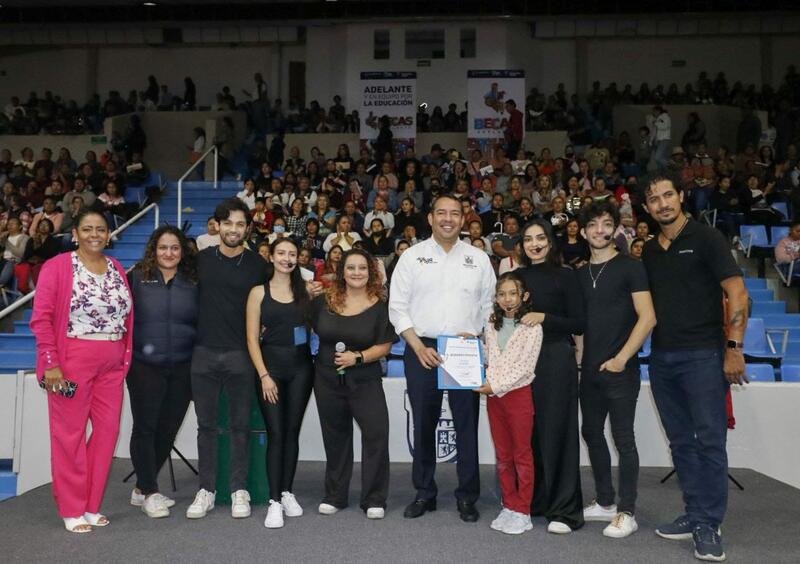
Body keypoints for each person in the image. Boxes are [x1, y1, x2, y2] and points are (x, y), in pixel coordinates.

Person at [642, 177, 749, 562]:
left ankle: (709, 522)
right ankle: (693, 513)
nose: (662, 203)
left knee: (709, 441)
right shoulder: (650, 250)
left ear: (681, 197)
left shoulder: (707, 238)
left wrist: (734, 348)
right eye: (654, 199)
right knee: (681, 443)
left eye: (668, 195)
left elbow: (737, 292)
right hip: (662, 359)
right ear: (647, 208)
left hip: (704, 356)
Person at [389, 194, 495, 523]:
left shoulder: (479, 259)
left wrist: (478, 337)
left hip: (464, 350)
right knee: (423, 424)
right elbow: (397, 306)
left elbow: (489, 308)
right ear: (430, 218)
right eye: (441, 213)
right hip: (422, 349)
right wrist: (416, 345)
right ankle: (425, 493)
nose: (448, 219)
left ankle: (467, 496)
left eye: (455, 213)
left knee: (466, 426)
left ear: (464, 220)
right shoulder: (412, 257)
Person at [29, 209, 134, 533]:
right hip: (70, 363)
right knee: (69, 435)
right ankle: (72, 507)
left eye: (100, 229)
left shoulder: (116, 267)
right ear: (75, 233)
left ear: (108, 234)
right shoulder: (57, 266)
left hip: (112, 362)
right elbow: (42, 317)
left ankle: (90, 504)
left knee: (106, 434)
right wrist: (51, 364)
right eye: (87, 229)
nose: (94, 234)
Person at [186, 198, 270, 520]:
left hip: (241, 355)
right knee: (205, 426)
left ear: (247, 228)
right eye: (228, 223)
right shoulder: (200, 260)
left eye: (240, 224)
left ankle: (239, 490)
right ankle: (206, 489)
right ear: (217, 225)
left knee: (240, 425)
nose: (234, 230)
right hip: (203, 353)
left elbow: (276, 297)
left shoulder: (257, 266)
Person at [577, 201, 656, 538]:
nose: (599, 230)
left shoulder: (631, 267)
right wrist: (581, 361)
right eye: (592, 224)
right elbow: (580, 325)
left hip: (621, 370)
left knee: (624, 439)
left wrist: (622, 358)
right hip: (590, 372)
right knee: (591, 433)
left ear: (615, 229)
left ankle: (627, 511)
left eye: (606, 223)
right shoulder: (579, 273)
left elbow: (648, 316)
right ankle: (606, 502)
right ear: (582, 232)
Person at [310, 249, 394, 518]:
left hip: (365, 380)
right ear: (342, 271)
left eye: (362, 268)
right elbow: (301, 322)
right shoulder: (323, 301)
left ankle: (374, 499)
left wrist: (357, 357)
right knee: (335, 437)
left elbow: (384, 346)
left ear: (370, 272)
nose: (357, 273)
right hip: (326, 380)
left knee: (376, 435)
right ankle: (335, 495)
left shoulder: (380, 306)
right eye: (351, 268)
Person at [517, 219, 585, 534]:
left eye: (540, 238)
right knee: (528, 433)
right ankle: (535, 500)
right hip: (521, 360)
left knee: (558, 432)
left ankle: (564, 509)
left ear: (550, 241)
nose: (535, 244)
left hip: (556, 358)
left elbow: (579, 322)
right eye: (528, 239)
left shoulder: (566, 276)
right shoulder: (515, 278)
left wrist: (544, 318)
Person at [127, 226, 198, 518]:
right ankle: (150, 489)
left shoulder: (193, 281)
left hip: (183, 366)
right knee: (145, 427)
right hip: (144, 367)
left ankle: (141, 489)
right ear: (153, 249)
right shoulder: (135, 277)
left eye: (175, 248)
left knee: (168, 430)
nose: (168, 253)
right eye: (163, 247)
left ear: (182, 252)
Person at [245, 238, 313, 529]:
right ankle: (274, 501)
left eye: (292, 254)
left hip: (301, 370)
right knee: (276, 433)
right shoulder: (258, 293)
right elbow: (251, 339)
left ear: (299, 258)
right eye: (281, 253)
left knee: (291, 433)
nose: (287, 258)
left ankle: (286, 492)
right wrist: (263, 375)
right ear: (271, 257)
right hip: (270, 371)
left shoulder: (306, 291)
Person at [474, 272, 543, 535]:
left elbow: (525, 368)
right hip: (494, 399)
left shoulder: (532, 328)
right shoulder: (491, 325)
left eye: (512, 293)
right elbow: (489, 358)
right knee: (503, 455)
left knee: (521, 455)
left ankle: (523, 509)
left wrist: (496, 386)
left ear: (523, 296)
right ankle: (509, 504)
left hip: (517, 396)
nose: (507, 298)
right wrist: (467, 343)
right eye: (501, 294)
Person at [14, 217, 60, 293]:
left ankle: (37, 291)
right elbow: (27, 254)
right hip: (30, 263)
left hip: (46, 264)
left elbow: (52, 255)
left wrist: (39, 258)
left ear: (50, 228)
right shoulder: (32, 239)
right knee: (22, 267)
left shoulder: (54, 241)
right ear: (38, 227)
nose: (43, 227)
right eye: (41, 225)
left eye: (46, 225)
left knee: (37, 268)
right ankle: (26, 290)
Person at [0, 216, 32, 291]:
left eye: (13, 224)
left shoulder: (24, 237)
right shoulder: (5, 236)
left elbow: (21, 253)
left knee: (3, 278)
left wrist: (6, 243)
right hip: (2, 260)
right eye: (8, 224)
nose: (10, 226)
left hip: (13, 261)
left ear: (20, 226)